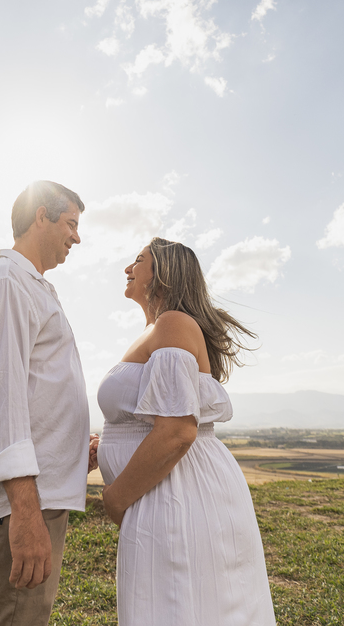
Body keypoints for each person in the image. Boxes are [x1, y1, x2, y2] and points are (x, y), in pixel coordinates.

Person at [0, 181, 98, 626]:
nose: (77, 237)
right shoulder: (6, 284)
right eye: (71, 224)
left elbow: (32, 392)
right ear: (41, 216)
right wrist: (25, 515)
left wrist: (70, 450)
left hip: (28, 499)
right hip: (11, 507)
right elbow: (0, 399)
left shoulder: (29, 285)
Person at [97, 236, 276, 625]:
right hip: (164, 488)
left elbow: (178, 431)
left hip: (177, 491)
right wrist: (111, 442)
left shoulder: (173, 323)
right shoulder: (157, 329)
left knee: (175, 607)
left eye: (138, 260)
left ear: (162, 273)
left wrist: (115, 498)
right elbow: (154, 418)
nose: (128, 268)